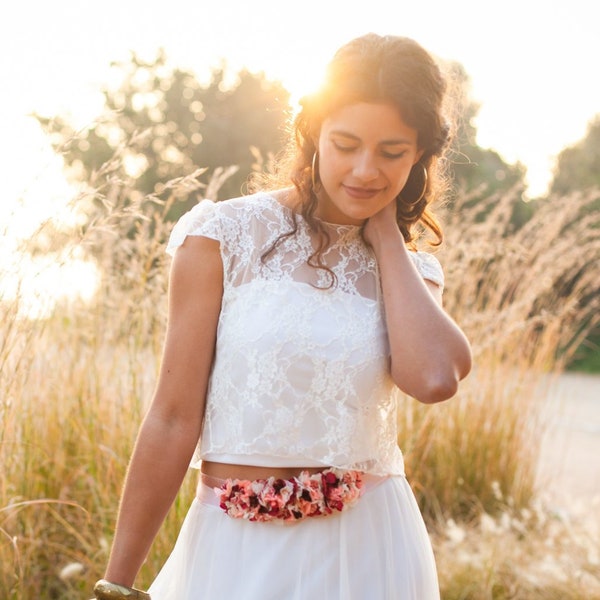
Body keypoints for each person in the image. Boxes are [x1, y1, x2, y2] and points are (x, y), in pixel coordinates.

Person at [93, 33, 472, 600]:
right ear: (314, 132)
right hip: (236, 552)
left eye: (392, 152)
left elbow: (436, 378)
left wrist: (387, 239)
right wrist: (116, 585)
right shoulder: (221, 234)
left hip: (367, 551)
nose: (365, 170)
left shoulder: (413, 273)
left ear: (419, 155)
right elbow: (172, 418)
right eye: (346, 143)